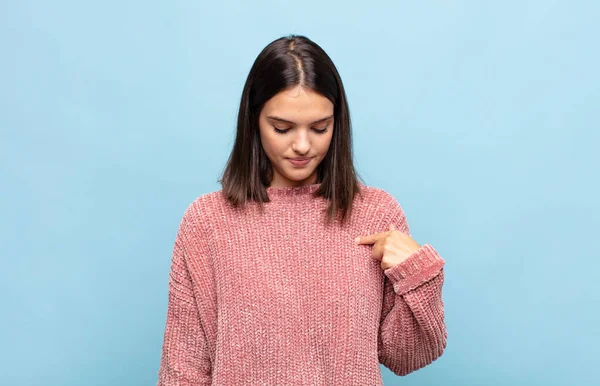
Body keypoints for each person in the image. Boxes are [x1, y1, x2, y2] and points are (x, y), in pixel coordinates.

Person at [156, 34, 447, 385]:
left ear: (337, 123)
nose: (303, 145)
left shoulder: (375, 213)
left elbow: (406, 356)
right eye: (282, 128)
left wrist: (419, 273)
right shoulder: (207, 222)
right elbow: (183, 369)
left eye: (320, 128)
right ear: (254, 121)